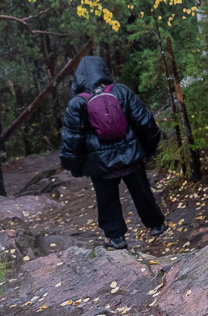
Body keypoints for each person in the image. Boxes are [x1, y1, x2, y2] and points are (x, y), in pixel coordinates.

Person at [59, 54, 166, 251]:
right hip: (131, 157)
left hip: (100, 164)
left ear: (79, 77)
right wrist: (149, 148)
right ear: (103, 70)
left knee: (107, 200)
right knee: (142, 192)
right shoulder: (121, 91)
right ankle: (157, 225)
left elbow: (72, 139)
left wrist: (74, 166)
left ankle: (116, 237)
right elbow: (145, 122)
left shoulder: (77, 103)